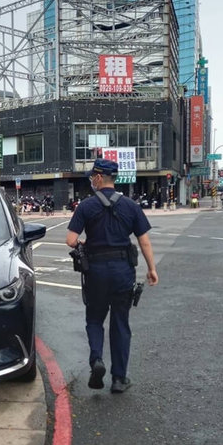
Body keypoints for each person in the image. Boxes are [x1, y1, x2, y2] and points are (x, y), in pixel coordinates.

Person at [66, 158, 158, 394]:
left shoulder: (86, 206)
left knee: (95, 319)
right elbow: (144, 241)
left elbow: (70, 240)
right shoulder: (131, 206)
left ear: (98, 178)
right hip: (122, 271)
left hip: (96, 271)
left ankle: (97, 361)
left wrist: (85, 242)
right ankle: (119, 379)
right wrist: (151, 269)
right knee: (120, 323)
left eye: (92, 177)